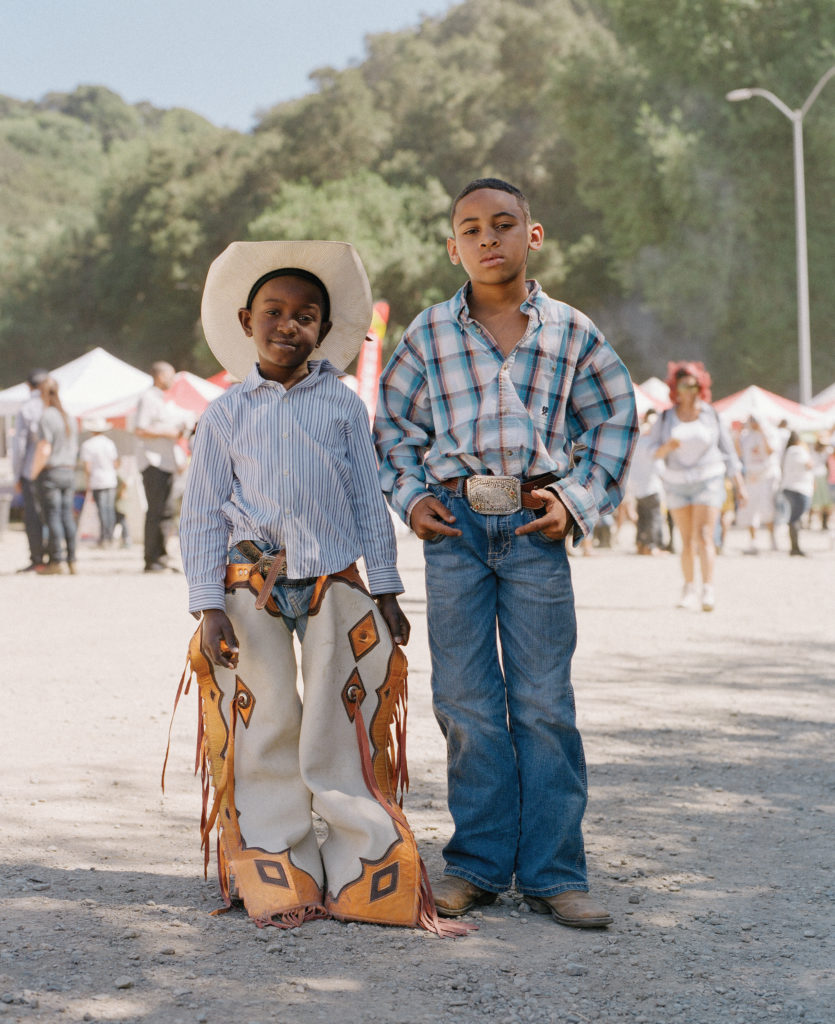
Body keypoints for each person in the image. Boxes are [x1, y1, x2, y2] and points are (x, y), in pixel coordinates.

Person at [176, 240, 460, 936]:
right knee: (266, 720)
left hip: (334, 580)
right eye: (273, 311)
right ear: (246, 321)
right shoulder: (223, 414)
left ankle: (360, 870)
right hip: (251, 588)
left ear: (323, 331)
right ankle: (276, 866)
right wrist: (207, 605)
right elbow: (202, 514)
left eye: (306, 315)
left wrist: (386, 590)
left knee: (342, 722)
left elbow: (367, 501)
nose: (288, 324)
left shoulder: (340, 404)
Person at [374, 177, 637, 929]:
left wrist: (575, 500)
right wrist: (411, 497)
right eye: (470, 228)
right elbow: (393, 425)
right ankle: (478, 865)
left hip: (531, 524)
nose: (487, 239)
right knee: (463, 700)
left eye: (502, 224)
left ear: (533, 235)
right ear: (450, 245)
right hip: (455, 526)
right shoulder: (427, 333)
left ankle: (556, 873)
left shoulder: (570, 331)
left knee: (543, 703)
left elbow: (614, 418)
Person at [648, 362, 745, 612]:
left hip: (709, 478)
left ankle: (708, 589)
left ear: (700, 386)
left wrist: (740, 485)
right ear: (675, 387)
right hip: (677, 481)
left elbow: (729, 452)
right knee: (686, 540)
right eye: (683, 384)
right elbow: (652, 451)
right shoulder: (666, 417)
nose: (689, 390)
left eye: (693, 385)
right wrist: (667, 447)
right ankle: (689, 587)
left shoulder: (710, 414)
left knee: (704, 537)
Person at [134, 361, 189, 572]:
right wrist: (170, 432)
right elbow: (141, 429)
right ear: (160, 376)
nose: (173, 381)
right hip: (153, 461)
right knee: (156, 511)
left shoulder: (160, 399)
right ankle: (152, 559)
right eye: (171, 376)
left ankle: (162, 556)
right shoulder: (148, 398)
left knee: (165, 511)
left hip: (165, 462)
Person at [33, 377, 79, 575]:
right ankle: (72, 559)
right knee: (67, 515)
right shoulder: (69, 416)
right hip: (69, 470)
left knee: (52, 516)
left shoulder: (47, 416)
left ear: (43, 393)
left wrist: (33, 473)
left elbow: (45, 448)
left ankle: (57, 560)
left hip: (52, 471)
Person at [11, 368, 48, 572]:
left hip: (31, 470)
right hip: (53, 469)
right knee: (52, 514)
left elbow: (20, 446)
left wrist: (17, 474)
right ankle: (57, 557)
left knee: (33, 516)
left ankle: (38, 559)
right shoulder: (55, 406)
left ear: (28, 386)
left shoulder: (28, 408)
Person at [736, 415, 779, 553]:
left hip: (765, 476)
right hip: (751, 477)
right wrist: (737, 433)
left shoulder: (769, 433)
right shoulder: (745, 436)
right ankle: (753, 541)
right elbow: (738, 453)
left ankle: (772, 539)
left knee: (768, 508)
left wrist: (762, 432)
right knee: (750, 509)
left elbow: (771, 451)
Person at [629, 409, 666, 555]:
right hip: (651, 486)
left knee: (643, 518)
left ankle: (641, 545)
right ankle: (652, 546)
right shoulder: (651, 444)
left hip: (637, 487)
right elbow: (660, 468)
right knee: (654, 518)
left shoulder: (635, 444)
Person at [79, 417, 120, 546]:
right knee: (109, 509)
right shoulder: (110, 443)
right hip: (111, 480)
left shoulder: (88, 445)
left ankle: (104, 537)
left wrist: (87, 483)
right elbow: (116, 463)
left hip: (97, 480)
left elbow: (87, 467)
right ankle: (109, 536)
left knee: (102, 510)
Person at [780, 432, 814, 556]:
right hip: (799, 488)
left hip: (789, 487)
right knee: (795, 518)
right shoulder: (798, 450)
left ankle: (794, 546)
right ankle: (795, 547)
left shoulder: (788, 451)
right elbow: (809, 464)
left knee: (794, 517)